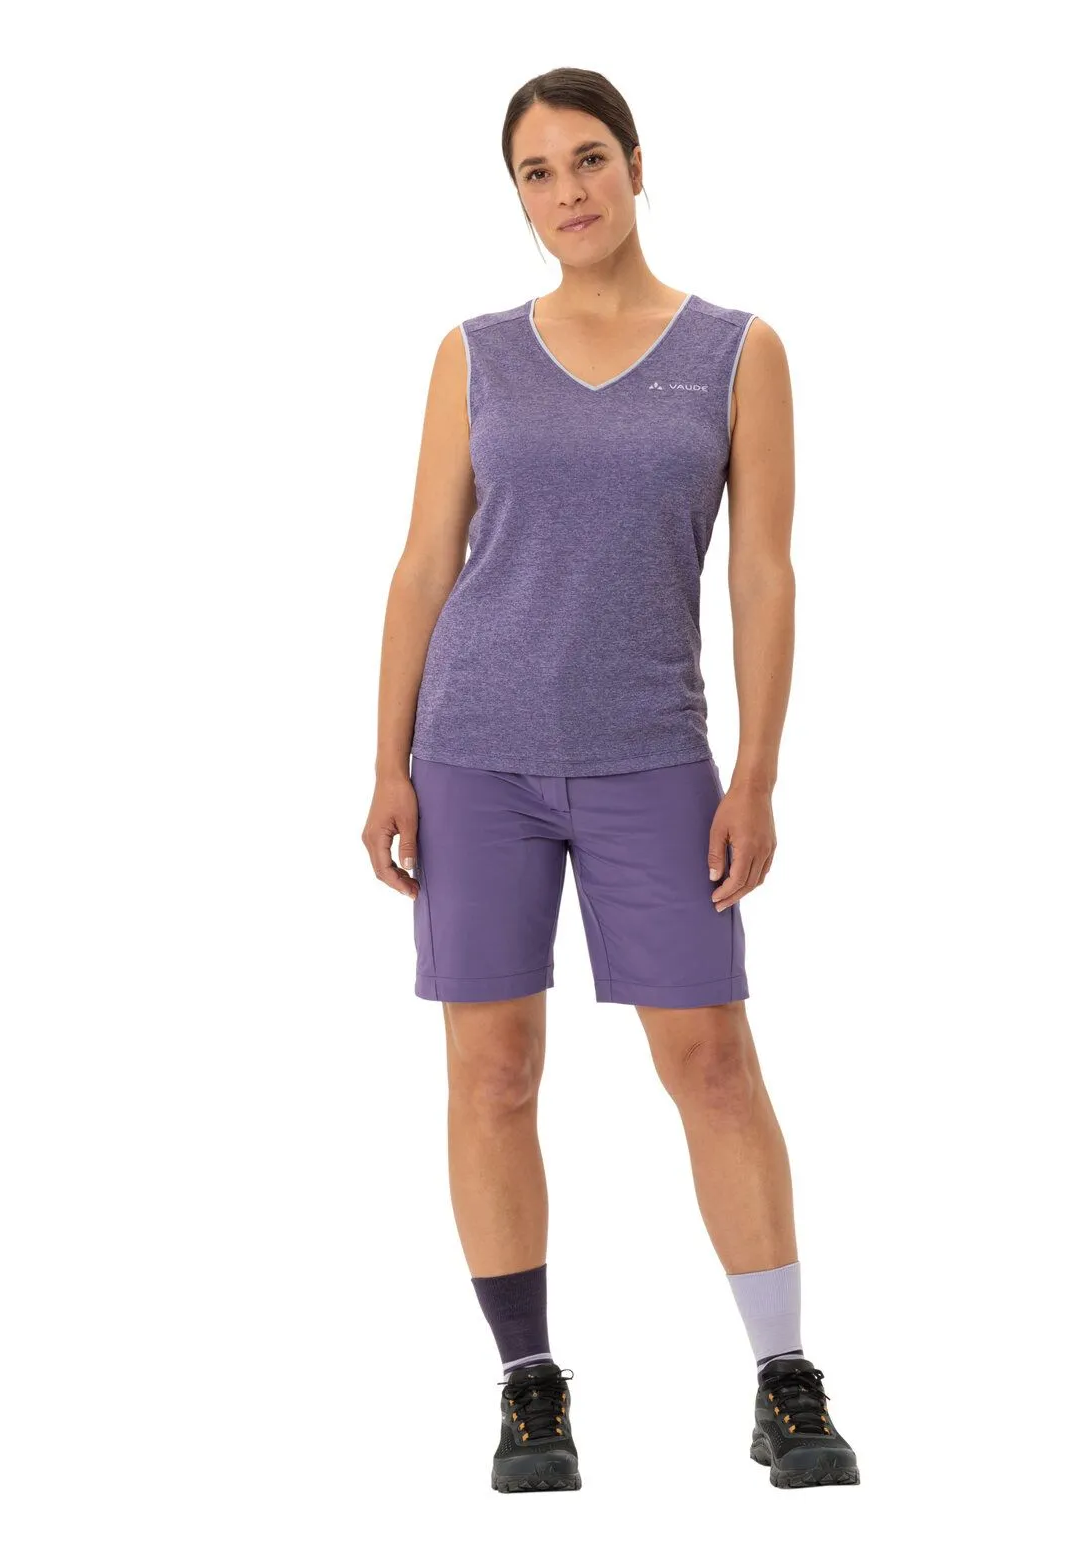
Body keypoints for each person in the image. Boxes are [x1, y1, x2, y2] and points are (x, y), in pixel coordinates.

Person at [362, 67, 859, 1494]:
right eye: (537, 172)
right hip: (474, 754)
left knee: (711, 1061)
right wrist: (386, 760)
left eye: (588, 159)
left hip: (653, 751)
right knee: (493, 1071)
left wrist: (757, 770)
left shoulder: (736, 351)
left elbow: (762, 572)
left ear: (638, 166)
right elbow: (425, 563)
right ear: (516, 198)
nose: (568, 191)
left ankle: (784, 1377)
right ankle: (529, 1387)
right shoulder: (473, 355)